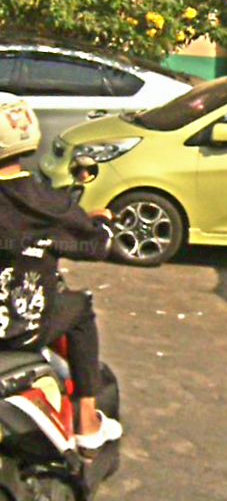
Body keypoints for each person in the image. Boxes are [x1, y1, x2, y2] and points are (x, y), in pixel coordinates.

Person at [0, 155, 122, 451]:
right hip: (21, 329)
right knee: (81, 307)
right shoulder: (47, 204)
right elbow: (97, 245)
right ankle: (87, 422)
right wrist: (103, 223)